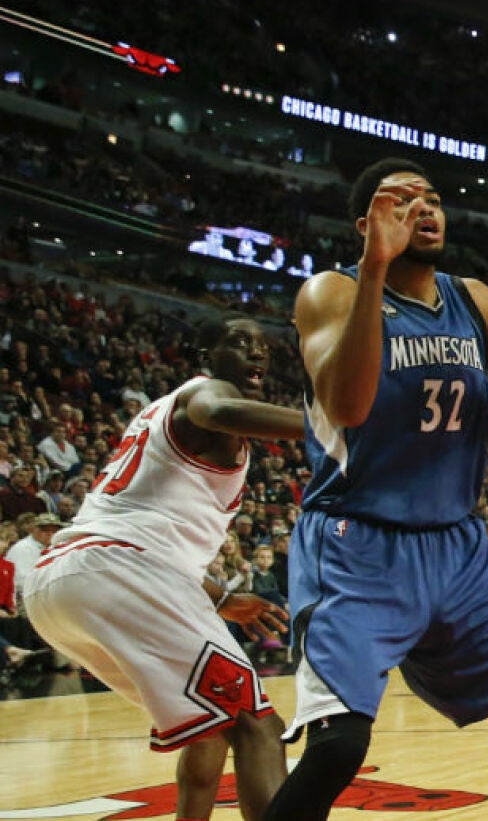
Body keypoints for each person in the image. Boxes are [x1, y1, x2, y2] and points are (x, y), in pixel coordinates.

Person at [264, 158, 488, 821]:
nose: (424, 210)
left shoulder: (473, 299)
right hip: (357, 544)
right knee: (336, 751)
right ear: (366, 224)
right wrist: (375, 271)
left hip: (457, 550)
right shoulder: (330, 292)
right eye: (401, 201)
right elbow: (348, 407)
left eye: (432, 199)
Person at [24, 314, 301, 821]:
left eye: (262, 346)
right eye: (239, 343)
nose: (257, 354)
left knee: (212, 723)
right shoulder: (205, 394)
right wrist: (334, 424)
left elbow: (154, 527)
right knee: (258, 724)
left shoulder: (161, 416)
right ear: (205, 359)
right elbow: (219, 408)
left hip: (62, 585)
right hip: (116, 570)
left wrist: (219, 597)